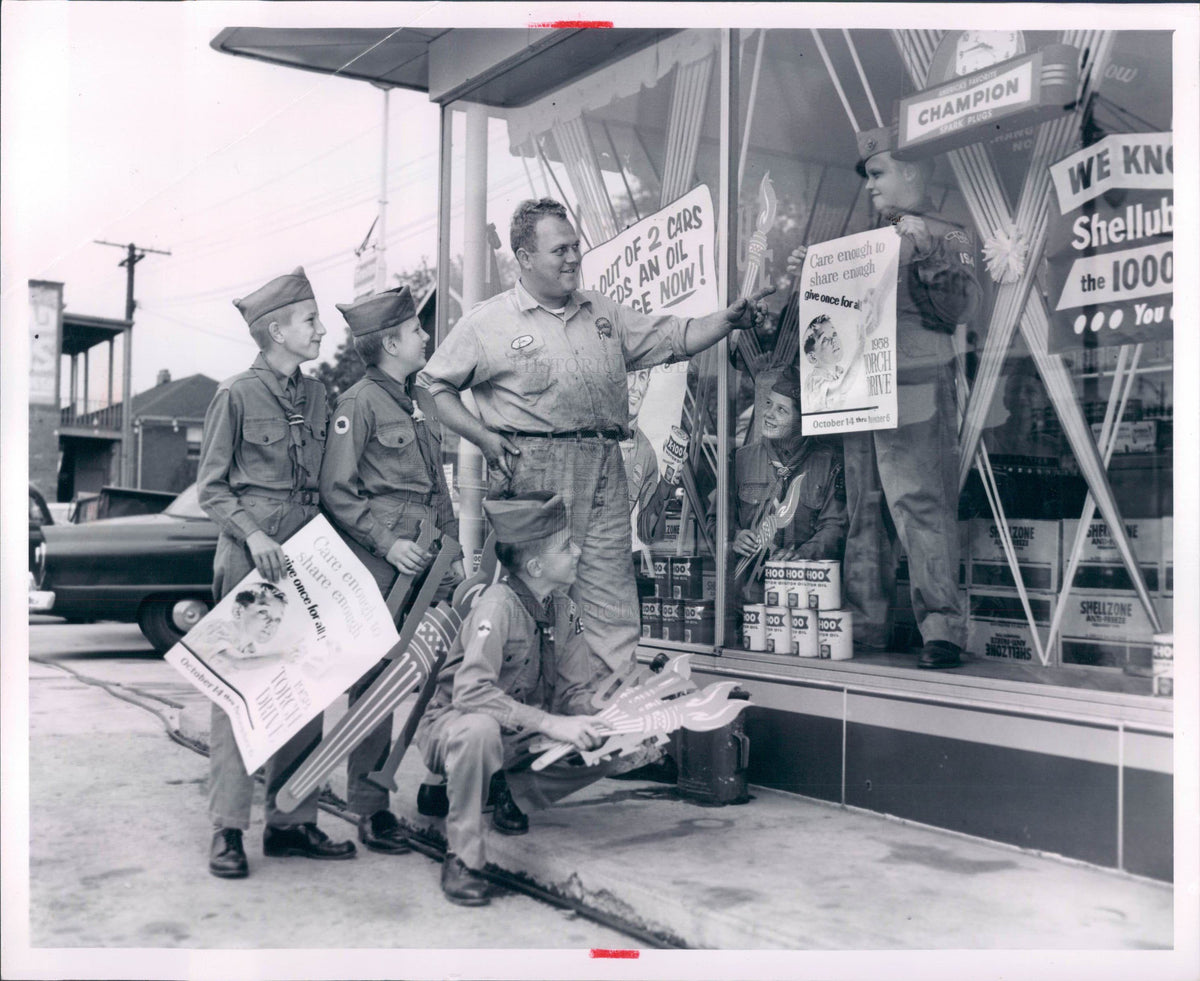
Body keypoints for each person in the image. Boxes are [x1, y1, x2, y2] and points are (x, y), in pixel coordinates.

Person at [418, 198, 772, 683]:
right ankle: (520, 722)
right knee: (531, 601)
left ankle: (609, 730)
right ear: (523, 258)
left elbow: (674, 336)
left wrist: (726, 320)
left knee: (611, 602)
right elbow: (431, 386)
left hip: (605, 464)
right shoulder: (488, 321)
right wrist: (482, 437)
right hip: (534, 472)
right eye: (558, 249)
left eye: (575, 247)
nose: (572, 258)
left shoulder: (602, 312)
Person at [788, 126, 981, 669]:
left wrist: (926, 256)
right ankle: (867, 624)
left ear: (913, 173)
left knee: (918, 504)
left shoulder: (947, 234)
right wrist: (816, 272)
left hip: (915, 386)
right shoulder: (866, 242)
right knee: (864, 510)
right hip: (859, 388)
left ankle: (941, 627)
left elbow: (964, 308)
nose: (870, 186)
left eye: (879, 174)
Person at [196, 266, 355, 879]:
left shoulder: (320, 397)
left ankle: (291, 821)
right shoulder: (235, 395)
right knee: (241, 691)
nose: (320, 329)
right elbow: (211, 489)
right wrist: (255, 533)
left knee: (305, 689)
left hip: (307, 559)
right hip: (252, 558)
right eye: (310, 320)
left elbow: (330, 482)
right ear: (276, 331)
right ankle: (228, 830)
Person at [319, 285, 465, 857]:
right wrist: (388, 543)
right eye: (416, 331)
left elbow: (435, 487)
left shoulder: (413, 401)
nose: (426, 337)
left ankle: (438, 778)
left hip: (431, 568)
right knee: (377, 689)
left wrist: (452, 550)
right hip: (385, 573)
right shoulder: (357, 404)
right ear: (389, 342)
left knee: (445, 670)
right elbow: (337, 489)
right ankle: (370, 808)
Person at [414, 492, 612, 907]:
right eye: (565, 546)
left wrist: (611, 718)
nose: (576, 551)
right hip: (454, 727)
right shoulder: (497, 606)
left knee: (611, 745)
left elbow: (575, 691)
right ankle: (463, 858)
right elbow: (469, 694)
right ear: (537, 566)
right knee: (479, 730)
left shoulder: (562, 607)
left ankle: (505, 786)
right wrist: (552, 724)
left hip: (516, 730)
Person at [729, 367, 847, 602]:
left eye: (781, 410)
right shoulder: (741, 460)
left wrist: (802, 555)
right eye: (769, 404)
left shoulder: (829, 462)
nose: (768, 414)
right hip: (749, 598)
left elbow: (835, 527)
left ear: (802, 422)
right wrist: (734, 535)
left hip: (807, 593)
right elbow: (716, 520)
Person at [189, 581, 289, 671]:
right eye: (264, 612)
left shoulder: (249, 650)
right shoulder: (219, 629)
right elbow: (238, 662)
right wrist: (282, 655)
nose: (271, 623)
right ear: (238, 611)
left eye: (277, 620)